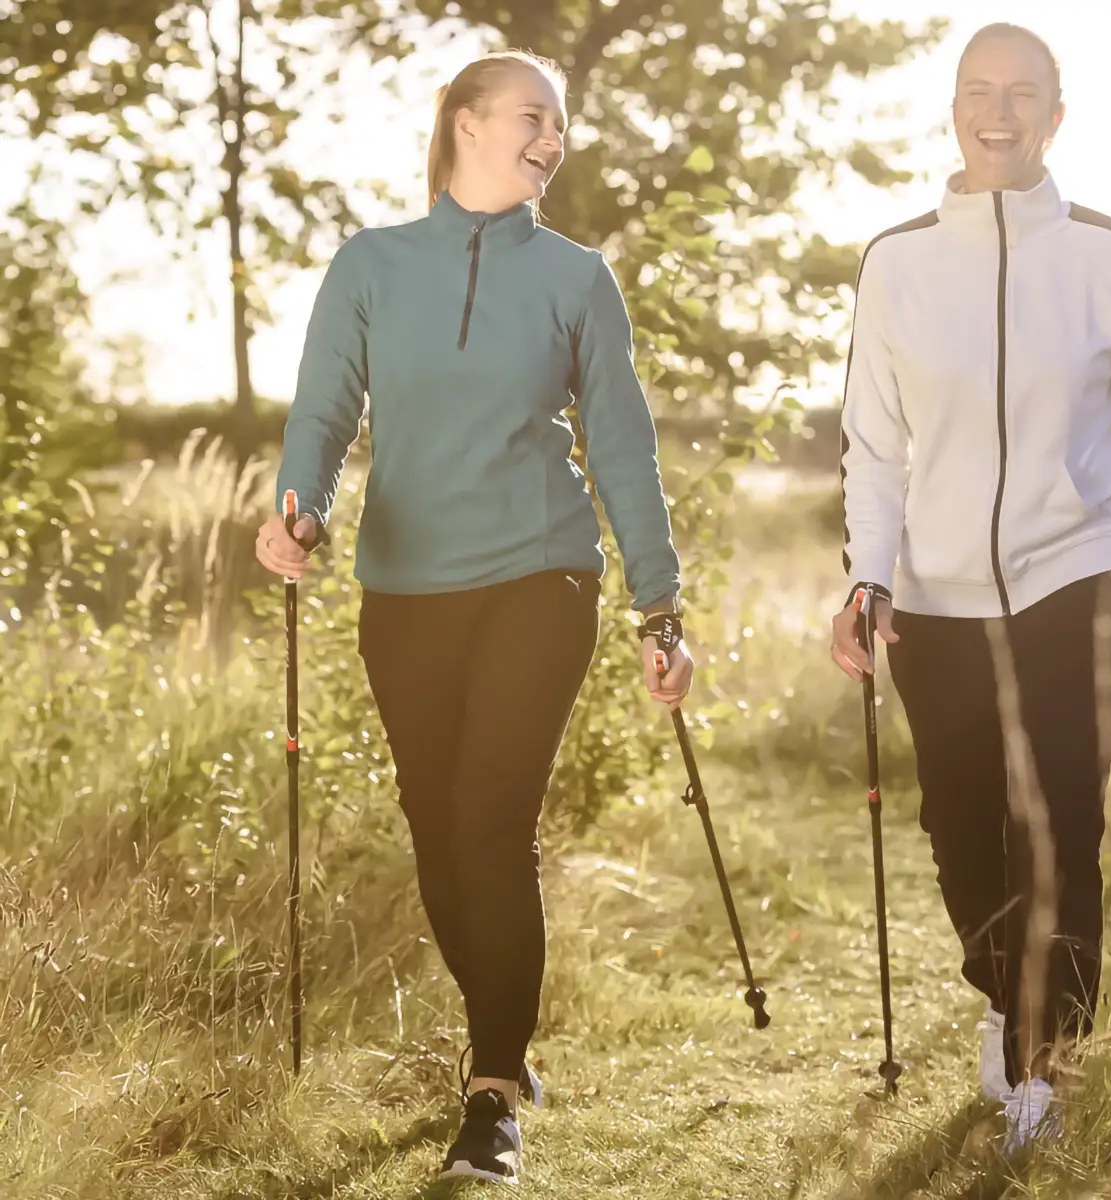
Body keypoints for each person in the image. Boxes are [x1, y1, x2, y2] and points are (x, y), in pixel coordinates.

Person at [254, 49, 695, 1185]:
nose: (553, 139)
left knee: (492, 823)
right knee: (439, 835)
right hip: (404, 590)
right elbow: (323, 410)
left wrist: (659, 599)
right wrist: (295, 516)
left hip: (538, 578)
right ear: (464, 124)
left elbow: (623, 445)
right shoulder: (371, 265)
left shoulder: (576, 278)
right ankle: (503, 1020)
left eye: (562, 125)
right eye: (533, 116)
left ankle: (493, 1082)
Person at [830, 22, 1111, 1154]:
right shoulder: (896, 260)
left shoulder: (1110, 255)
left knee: (1057, 824)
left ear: (1056, 114)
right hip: (935, 597)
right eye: (979, 92)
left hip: (1079, 575)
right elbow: (873, 445)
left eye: (1023, 94)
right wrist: (869, 579)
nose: (1000, 111)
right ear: (952, 109)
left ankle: (1049, 1056)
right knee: (959, 825)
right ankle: (1003, 992)